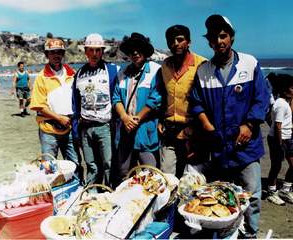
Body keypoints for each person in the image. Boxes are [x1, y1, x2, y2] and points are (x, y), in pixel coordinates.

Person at [191, 15, 269, 238]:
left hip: (247, 145)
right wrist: (206, 124)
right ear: (209, 43)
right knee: (223, 194)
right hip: (219, 146)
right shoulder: (203, 71)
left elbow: (262, 98)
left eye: (223, 36)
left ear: (232, 37)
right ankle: (226, 232)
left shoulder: (249, 63)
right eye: (214, 38)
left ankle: (250, 234)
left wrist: (250, 124)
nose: (219, 42)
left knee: (252, 193)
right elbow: (196, 102)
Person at [72, 33, 121, 191]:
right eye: (91, 50)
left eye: (98, 50)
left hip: (105, 126)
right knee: (91, 164)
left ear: (102, 51)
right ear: (85, 51)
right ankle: (91, 194)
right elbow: (75, 102)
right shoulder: (79, 74)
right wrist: (76, 129)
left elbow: (119, 97)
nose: (94, 54)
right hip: (86, 127)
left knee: (109, 164)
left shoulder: (112, 70)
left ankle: (111, 193)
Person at [158, 25, 208, 179]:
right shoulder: (165, 65)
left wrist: (195, 130)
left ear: (189, 42)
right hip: (169, 129)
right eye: (172, 41)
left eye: (180, 40)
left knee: (193, 178)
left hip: (192, 131)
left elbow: (207, 102)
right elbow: (163, 95)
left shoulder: (202, 65)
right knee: (167, 176)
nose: (176, 44)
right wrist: (161, 120)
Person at [30, 38, 83, 181]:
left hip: (69, 127)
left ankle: (77, 192)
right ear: (47, 55)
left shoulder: (72, 73)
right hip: (49, 130)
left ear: (63, 54)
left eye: (59, 52)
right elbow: (39, 106)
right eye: (52, 52)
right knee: (48, 167)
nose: (56, 55)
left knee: (75, 164)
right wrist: (59, 117)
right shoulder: (41, 77)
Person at [113, 33, 162, 181]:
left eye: (138, 49)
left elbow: (156, 99)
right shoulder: (122, 74)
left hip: (145, 131)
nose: (135, 53)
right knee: (125, 174)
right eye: (131, 50)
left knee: (150, 174)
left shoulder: (155, 71)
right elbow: (116, 98)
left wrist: (135, 119)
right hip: (126, 130)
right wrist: (125, 118)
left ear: (145, 50)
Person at [266, 74, 293, 205]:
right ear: (284, 90)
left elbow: (290, 116)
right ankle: (271, 192)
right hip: (278, 138)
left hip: (288, 137)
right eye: (292, 88)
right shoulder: (280, 104)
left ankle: (285, 190)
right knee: (276, 166)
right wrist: (280, 143)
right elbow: (277, 126)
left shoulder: (286, 102)